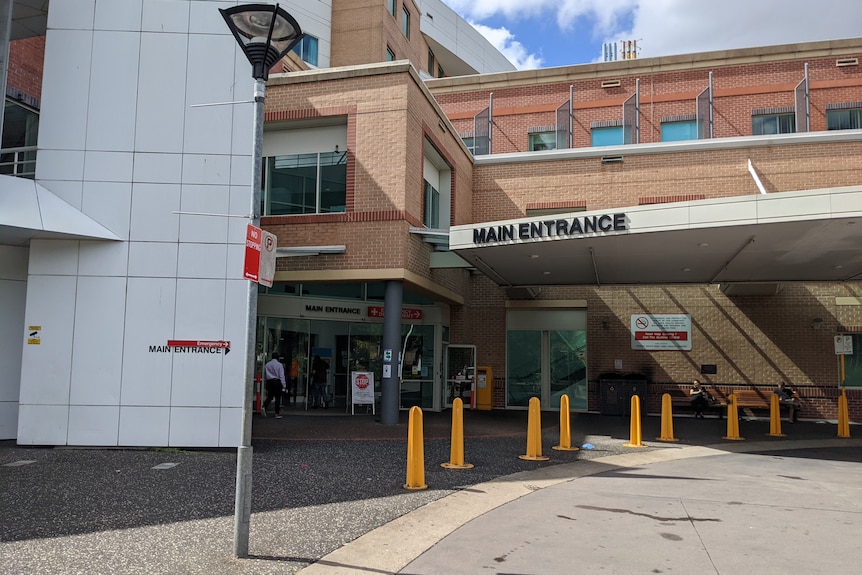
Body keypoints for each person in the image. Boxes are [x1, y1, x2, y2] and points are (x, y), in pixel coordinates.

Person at [262, 352, 286, 419]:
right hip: (276, 382)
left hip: (269, 382)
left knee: (270, 396)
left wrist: (265, 383)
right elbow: (281, 376)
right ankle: (277, 413)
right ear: (277, 357)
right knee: (277, 398)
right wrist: (284, 385)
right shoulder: (279, 365)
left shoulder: (267, 364)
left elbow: (265, 375)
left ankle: (264, 406)